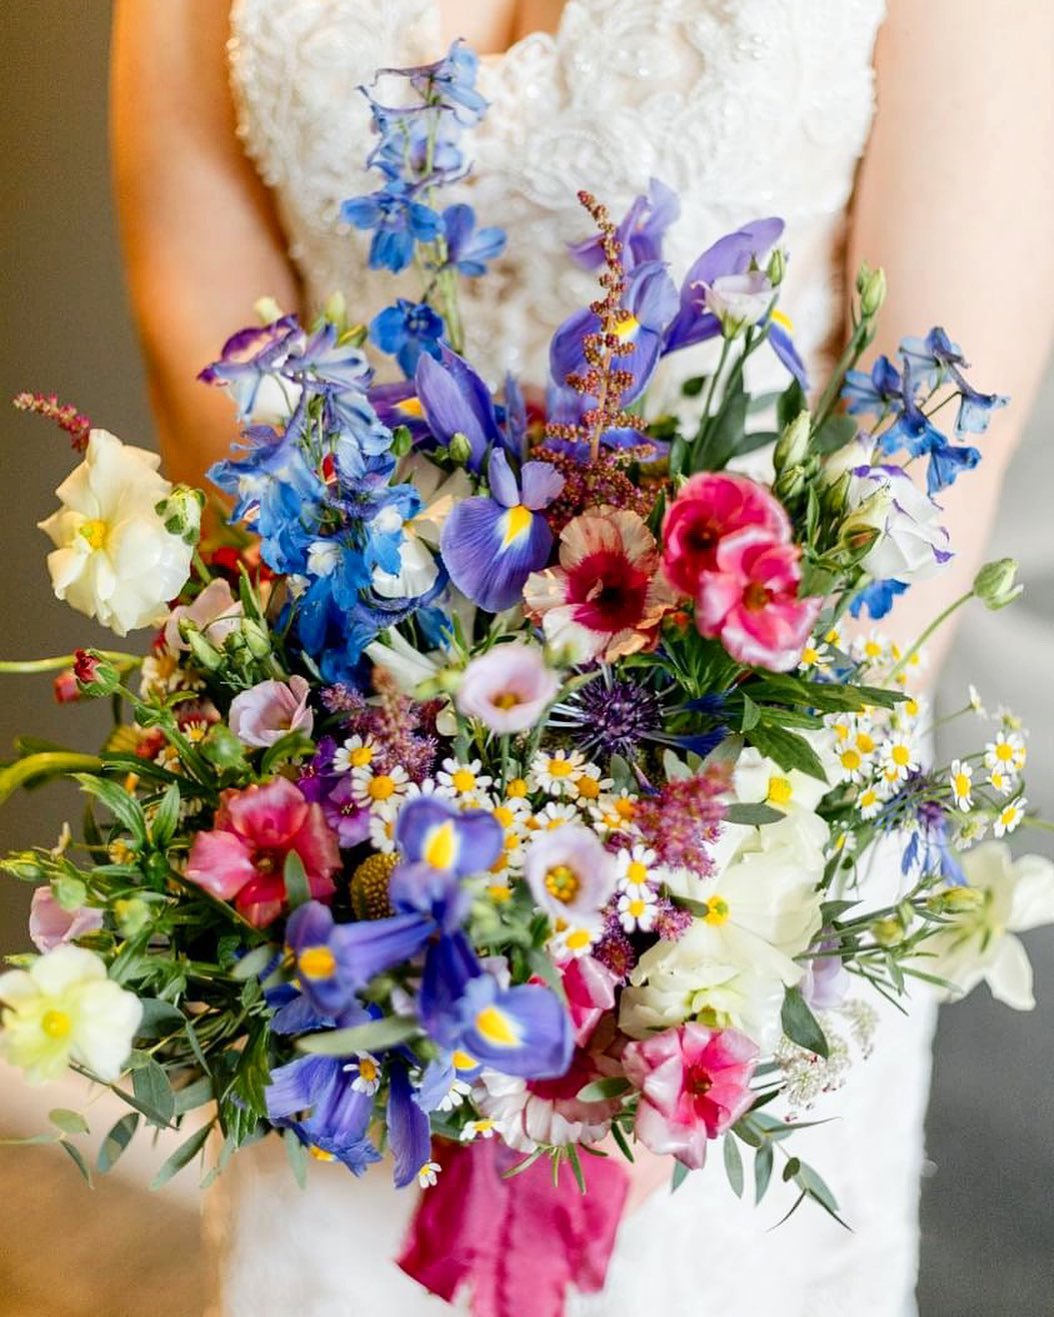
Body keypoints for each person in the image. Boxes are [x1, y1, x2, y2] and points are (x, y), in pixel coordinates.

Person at [110, 2, 1054, 1313]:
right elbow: (192, 286)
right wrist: (355, 756)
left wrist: (676, 934)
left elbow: (933, 433)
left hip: (751, 793)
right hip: (345, 780)